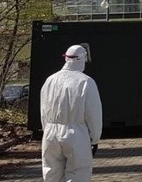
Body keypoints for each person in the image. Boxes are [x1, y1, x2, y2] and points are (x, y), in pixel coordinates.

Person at [40, 44, 103, 182]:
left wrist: (47, 130)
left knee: (51, 174)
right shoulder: (86, 82)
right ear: (81, 59)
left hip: (50, 133)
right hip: (76, 133)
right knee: (78, 173)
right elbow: (93, 113)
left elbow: (43, 111)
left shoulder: (50, 80)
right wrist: (94, 138)